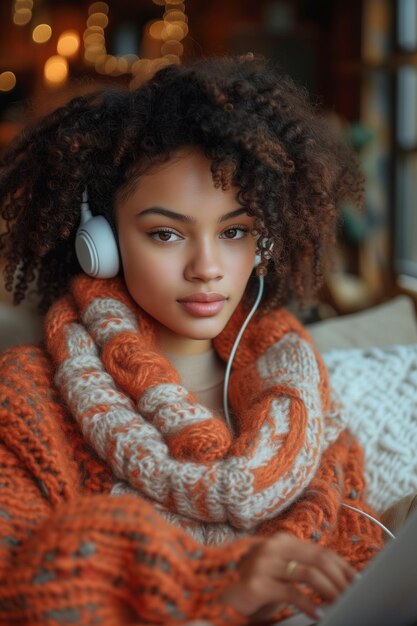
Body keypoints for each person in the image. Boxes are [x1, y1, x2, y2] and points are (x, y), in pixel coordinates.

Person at [0, 54, 383, 626]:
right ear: (99, 242)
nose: (207, 267)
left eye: (234, 231)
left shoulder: (305, 400)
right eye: (166, 233)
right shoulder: (25, 401)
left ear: (265, 241)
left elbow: (360, 564)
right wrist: (209, 585)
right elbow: (21, 587)